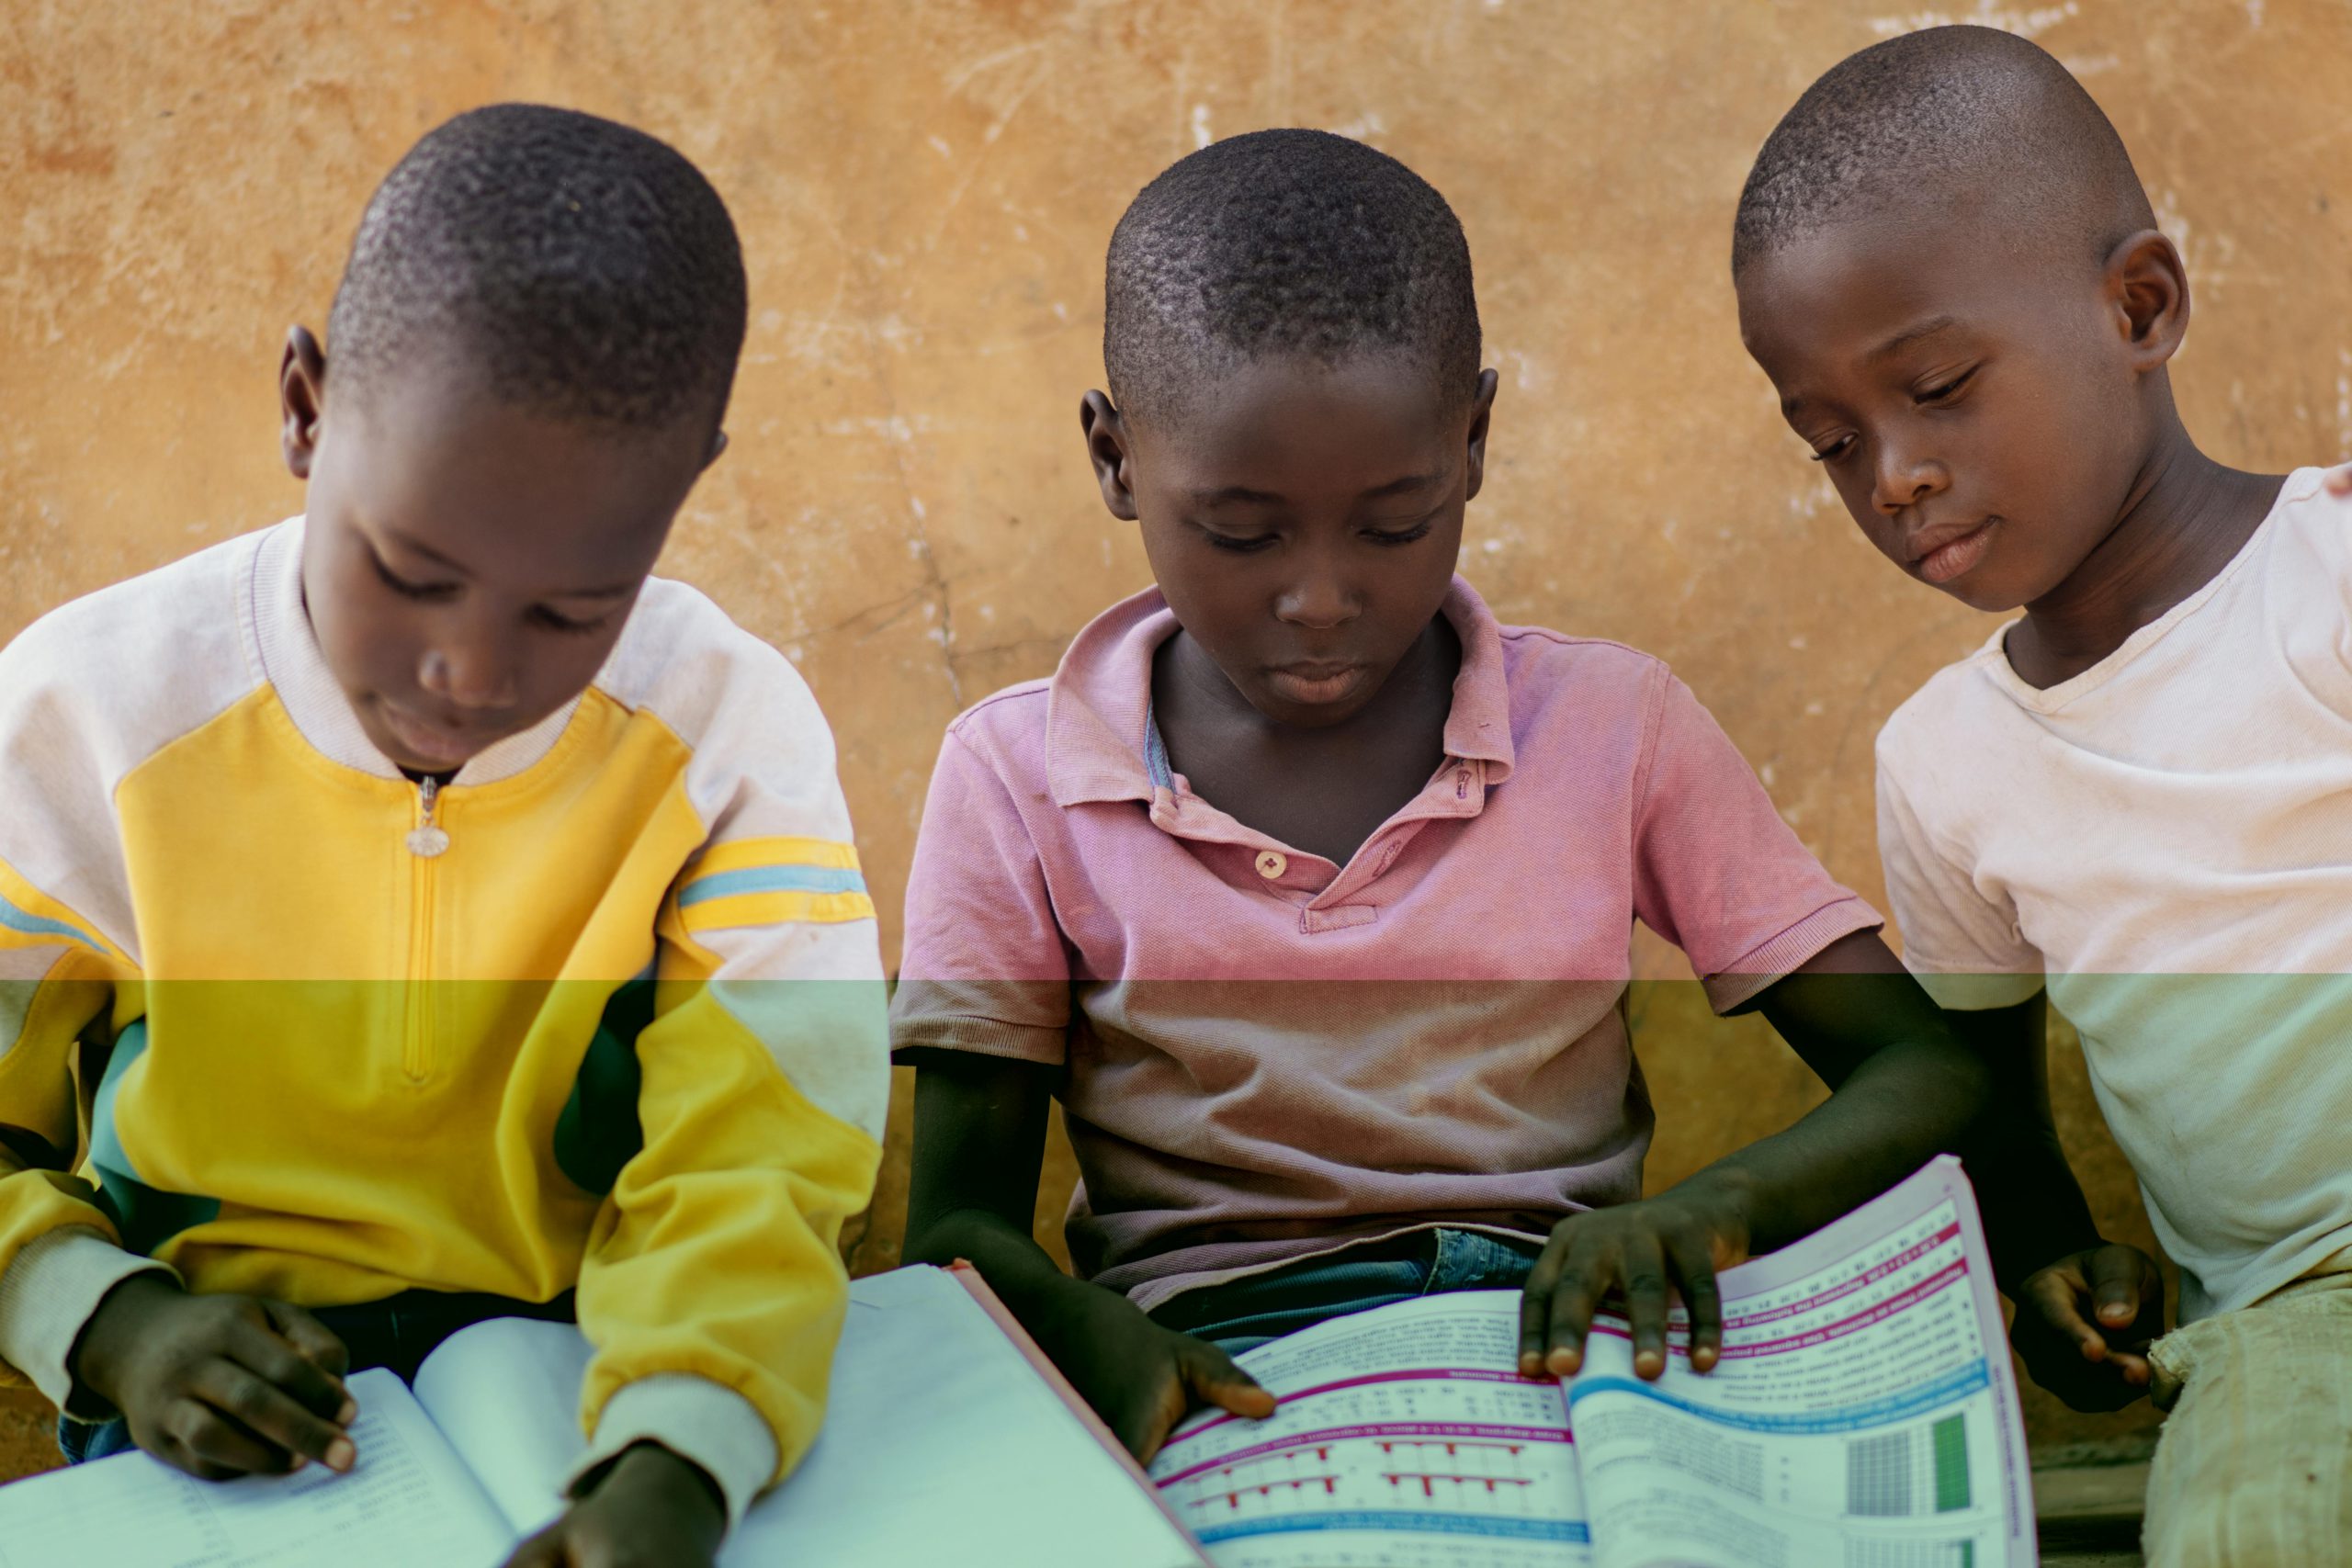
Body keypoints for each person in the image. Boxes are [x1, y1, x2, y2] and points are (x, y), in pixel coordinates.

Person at [895, 127, 1991, 1464]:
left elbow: (1923, 1067)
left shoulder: (1611, 725)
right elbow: (955, 1229)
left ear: (1472, 441)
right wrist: (1085, 1334)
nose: (1320, 598)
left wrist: (1714, 1209)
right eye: (1241, 533)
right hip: (1216, 1361)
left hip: (1569, 1333)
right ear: (1117, 460)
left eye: (1394, 524)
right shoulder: (1016, 777)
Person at [0, 105, 888, 1568]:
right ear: (305, 407)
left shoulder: (727, 731)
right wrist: (103, 1322)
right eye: (411, 575)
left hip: (598, 1374)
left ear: (686, 483)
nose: (470, 675)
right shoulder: (84, 716)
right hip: (202, 1391)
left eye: (571, 613)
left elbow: (767, 1149)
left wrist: (684, 1449)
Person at [1733, 27, 2352, 1564]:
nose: (1893, 474)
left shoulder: (2329, 576)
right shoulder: (1949, 762)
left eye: (1939, 388)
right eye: (1833, 442)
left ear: (2138, 307)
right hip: (2297, 1316)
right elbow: (1986, 1092)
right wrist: (2048, 1258)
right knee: (2251, 1538)